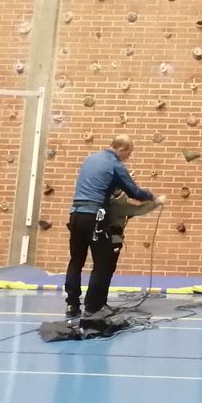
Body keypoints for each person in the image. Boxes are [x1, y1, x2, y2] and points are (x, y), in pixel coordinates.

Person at [66, 135, 160, 319]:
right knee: (103, 263)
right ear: (122, 149)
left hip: (76, 213)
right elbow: (134, 192)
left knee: (76, 261)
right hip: (94, 216)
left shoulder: (90, 159)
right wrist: (153, 198)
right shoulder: (115, 165)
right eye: (129, 153)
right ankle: (93, 307)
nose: (128, 157)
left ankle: (72, 304)